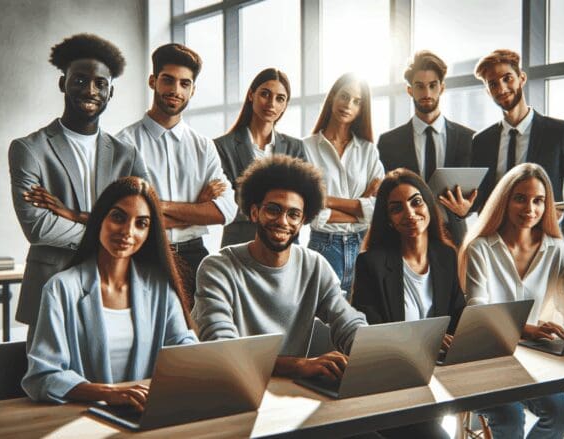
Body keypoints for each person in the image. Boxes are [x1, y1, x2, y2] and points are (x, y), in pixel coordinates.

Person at [9, 33, 148, 338]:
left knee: (111, 382)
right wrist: (111, 231)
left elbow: (145, 220)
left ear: (110, 93)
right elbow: (39, 227)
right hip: (51, 283)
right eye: (80, 80)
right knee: (47, 381)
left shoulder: (127, 154)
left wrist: (73, 215)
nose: (90, 90)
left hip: (115, 286)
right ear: (63, 83)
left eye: (101, 84)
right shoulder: (29, 149)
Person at [22, 177, 197, 409]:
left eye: (141, 224)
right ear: (99, 220)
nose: (128, 232)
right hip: (82, 418)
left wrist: (205, 359)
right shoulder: (61, 288)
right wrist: (110, 393)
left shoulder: (159, 287)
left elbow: (183, 349)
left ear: (149, 233)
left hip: (145, 413)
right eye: (118, 217)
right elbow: (42, 376)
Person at [192, 155, 367, 380]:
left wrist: (370, 353)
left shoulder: (314, 266)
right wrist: (297, 366)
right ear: (255, 212)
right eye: (273, 210)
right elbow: (223, 350)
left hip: (288, 392)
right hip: (230, 387)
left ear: (303, 221)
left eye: (293, 214)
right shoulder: (218, 268)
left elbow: (348, 321)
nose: (283, 221)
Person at [460, 163, 564, 439]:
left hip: (532, 359)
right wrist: (526, 328)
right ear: (505, 201)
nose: (530, 208)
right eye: (520, 199)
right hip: (486, 357)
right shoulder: (481, 247)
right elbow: (478, 310)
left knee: (562, 412)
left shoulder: (555, 247)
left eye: (538, 200)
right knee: (510, 417)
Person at [117, 43, 237, 302]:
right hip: (144, 253)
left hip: (194, 257)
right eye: (168, 80)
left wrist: (158, 205)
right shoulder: (124, 144)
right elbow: (125, 216)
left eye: (185, 84)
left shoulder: (203, 146)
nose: (175, 90)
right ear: (153, 81)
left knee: (194, 337)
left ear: (193, 90)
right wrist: (197, 208)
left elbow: (225, 211)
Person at [352, 168, 465, 439]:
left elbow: (458, 315)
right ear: (388, 219)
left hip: (436, 378)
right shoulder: (372, 263)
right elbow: (372, 334)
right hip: (390, 385)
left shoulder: (445, 256)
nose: (410, 213)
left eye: (416, 202)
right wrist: (429, 340)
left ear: (428, 204)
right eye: (396, 208)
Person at [471, 49, 564, 257]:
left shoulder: (558, 133)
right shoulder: (482, 141)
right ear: (487, 91)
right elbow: (482, 200)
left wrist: (558, 216)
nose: (501, 88)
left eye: (507, 78)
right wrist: (465, 207)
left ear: (521, 78)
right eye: (493, 84)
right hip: (497, 252)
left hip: (549, 251)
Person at [377, 50, 475, 245]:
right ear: (410, 90)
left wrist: (467, 209)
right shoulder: (388, 142)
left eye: (432, 86)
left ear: (442, 88)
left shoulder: (469, 138)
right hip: (404, 238)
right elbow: (385, 197)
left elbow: (478, 194)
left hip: (453, 236)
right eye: (420, 87)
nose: (427, 94)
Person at [302, 73, 385, 294]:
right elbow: (311, 213)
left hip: (364, 246)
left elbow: (380, 208)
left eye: (357, 101)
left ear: (362, 109)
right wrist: (361, 206)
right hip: (324, 247)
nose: (348, 105)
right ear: (332, 98)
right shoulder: (305, 148)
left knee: (363, 321)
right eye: (344, 96)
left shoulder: (368, 150)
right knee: (325, 323)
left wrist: (327, 200)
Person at [214, 68, 307, 246]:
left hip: (284, 247)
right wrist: (282, 203)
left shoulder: (295, 148)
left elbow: (302, 203)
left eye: (280, 98)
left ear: (285, 104)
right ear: (251, 95)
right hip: (239, 246)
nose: (271, 103)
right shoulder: (222, 146)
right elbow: (227, 205)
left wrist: (248, 196)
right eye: (265, 94)